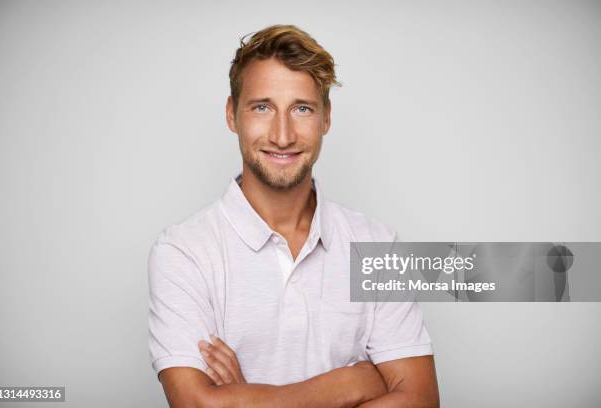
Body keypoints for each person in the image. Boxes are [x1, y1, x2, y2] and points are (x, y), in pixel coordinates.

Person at [148, 24, 439, 407]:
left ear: (326, 119)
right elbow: (199, 405)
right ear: (232, 114)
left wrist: (248, 397)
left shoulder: (378, 246)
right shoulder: (182, 253)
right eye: (262, 107)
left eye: (302, 109)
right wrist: (352, 383)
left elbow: (420, 401)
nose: (282, 135)